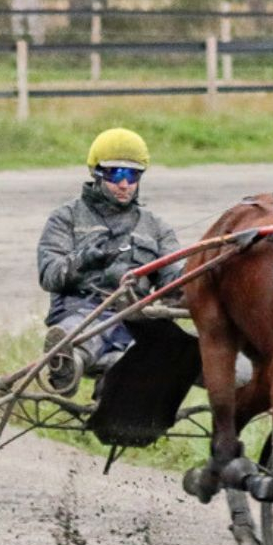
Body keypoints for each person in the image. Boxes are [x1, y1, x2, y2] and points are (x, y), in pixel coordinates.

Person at [36, 128, 179, 384]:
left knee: (163, 349)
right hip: (80, 311)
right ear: (97, 174)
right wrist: (83, 260)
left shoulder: (157, 227)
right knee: (89, 331)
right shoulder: (65, 218)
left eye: (133, 175)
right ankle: (66, 362)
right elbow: (49, 275)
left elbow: (175, 282)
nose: (124, 184)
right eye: (116, 174)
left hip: (136, 318)